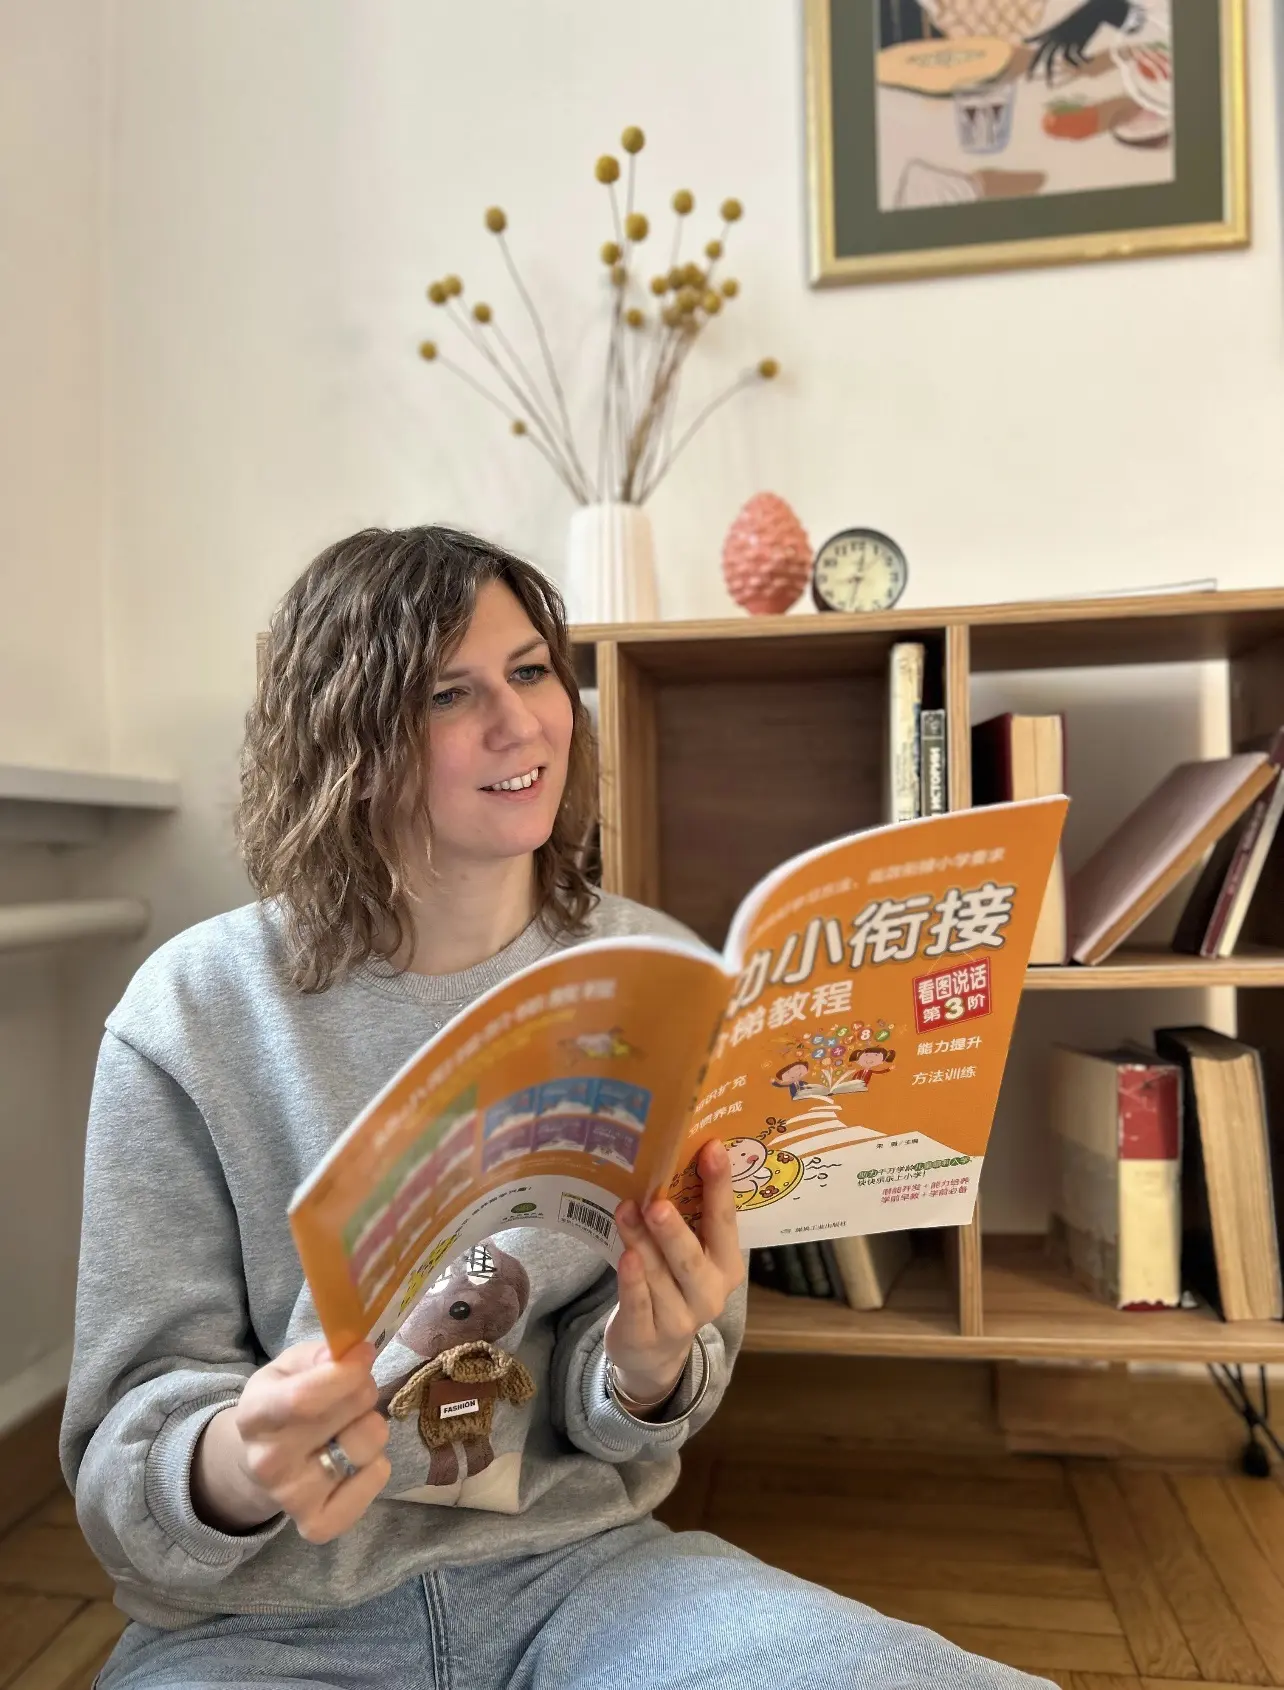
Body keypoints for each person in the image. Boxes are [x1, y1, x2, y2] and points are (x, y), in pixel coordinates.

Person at [60, 525, 1051, 1688]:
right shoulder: (192, 1008)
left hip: (582, 1579)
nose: (521, 723)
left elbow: (631, 1409)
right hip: (259, 1621)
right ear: (346, 736)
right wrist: (236, 1460)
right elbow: (129, 1453)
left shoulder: (660, 974)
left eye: (531, 671)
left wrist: (647, 1362)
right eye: (450, 692)